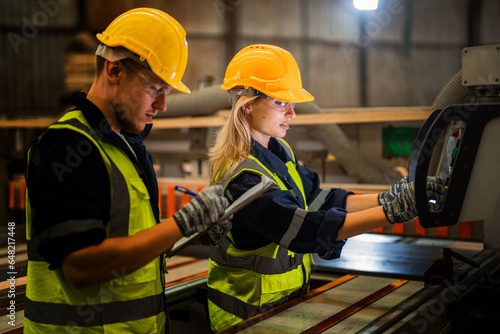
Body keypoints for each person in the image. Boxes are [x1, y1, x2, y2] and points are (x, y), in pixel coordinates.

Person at [206, 44, 445, 332]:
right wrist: (393, 213)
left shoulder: (279, 151)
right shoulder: (243, 177)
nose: (292, 113)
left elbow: (322, 198)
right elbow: (303, 230)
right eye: (281, 103)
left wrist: (390, 197)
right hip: (244, 318)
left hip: (281, 309)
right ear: (247, 105)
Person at [24, 8, 229, 334]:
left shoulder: (126, 146)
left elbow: (128, 236)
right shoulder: (68, 148)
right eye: (155, 88)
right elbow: (80, 266)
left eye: (167, 91)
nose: (162, 105)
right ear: (114, 70)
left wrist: (193, 233)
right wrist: (181, 224)